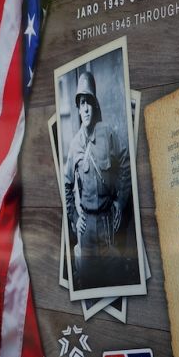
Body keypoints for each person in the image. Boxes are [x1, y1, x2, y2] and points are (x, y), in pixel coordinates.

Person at [64, 71, 131, 289]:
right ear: (78, 107)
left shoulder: (108, 133)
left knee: (117, 281)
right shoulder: (74, 145)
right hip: (87, 230)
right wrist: (74, 216)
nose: (85, 108)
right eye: (82, 102)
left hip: (108, 224)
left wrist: (120, 201)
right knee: (90, 284)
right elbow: (66, 184)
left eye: (89, 102)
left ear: (95, 104)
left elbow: (125, 165)